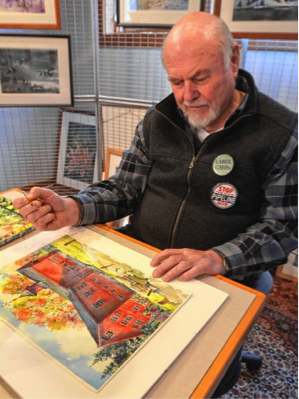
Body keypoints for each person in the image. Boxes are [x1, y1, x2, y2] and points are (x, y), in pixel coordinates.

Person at [13, 12, 298, 397]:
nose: (186, 96)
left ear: (233, 59)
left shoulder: (281, 133)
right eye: (176, 81)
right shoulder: (159, 119)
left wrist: (219, 257)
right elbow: (123, 190)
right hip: (141, 260)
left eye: (200, 78)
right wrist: (74, 208)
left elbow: (284, 227)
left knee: (188, 381)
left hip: (221, 277)